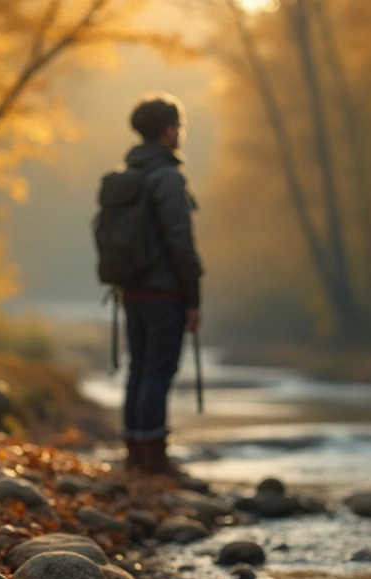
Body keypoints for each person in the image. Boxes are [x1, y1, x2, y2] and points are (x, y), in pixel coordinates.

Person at [118, 93, 203, 476]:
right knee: (158, 372)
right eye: (179, 126)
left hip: (131, 290)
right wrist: (193, 297)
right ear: (169, 131)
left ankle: (135, 453)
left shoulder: (130, 175)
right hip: (164, 291)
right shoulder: (167, 177)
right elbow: (180, 242)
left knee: (139, 369)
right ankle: (155, 459)